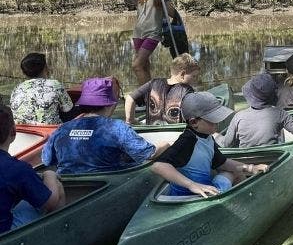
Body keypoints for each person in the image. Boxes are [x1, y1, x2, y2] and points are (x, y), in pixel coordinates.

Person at [41, 77, 169, 174]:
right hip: (109, 183)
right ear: (110, 104)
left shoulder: (62, 129)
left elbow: (46, 160)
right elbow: (147, 154)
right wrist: (167, 144)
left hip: (69, 185)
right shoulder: (117, 128)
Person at [152, 91, 268, 197]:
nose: (217, 123)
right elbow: (158, 166)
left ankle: (246, 199)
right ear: (194, 122)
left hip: (207, 190)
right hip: (189, 196)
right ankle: (248, 200)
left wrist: (251, 168)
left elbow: (222, 163)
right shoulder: (187, 141)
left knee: (234, 171)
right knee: (234, 173)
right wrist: (192, 185)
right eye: (212, 120)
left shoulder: (207, 137)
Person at [0, 105, 65, 233]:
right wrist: (49, 175)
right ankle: (59, 233)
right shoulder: (17, 168)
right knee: (56, 187)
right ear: (13, 132)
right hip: (4, 233)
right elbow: (50, 202)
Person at [216, 73, 293, 148]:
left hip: (245, 163)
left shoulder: (238, 117)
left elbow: (227, 144)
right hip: (271, 161)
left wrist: (216, 136)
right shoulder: (279, 114)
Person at [114, 0, 178, 84]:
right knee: (144, 66)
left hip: (153, 34)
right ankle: (150, 95)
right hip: (138, 34)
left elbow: (172, 13)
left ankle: (146, 94)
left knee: (136, 65)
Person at [123, 53, 200, 125]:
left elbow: (130, 98)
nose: (196, 79)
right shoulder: (187, 90)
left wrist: (131, 120)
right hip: (177, 134)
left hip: (152, 132)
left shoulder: (153, 83)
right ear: (182, 74)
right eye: (194, 76)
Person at [10, 52, 74, 125]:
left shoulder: (17, 88)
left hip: (22, 131)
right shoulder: (55, 85)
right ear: (45, 68)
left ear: (24, 72)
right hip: (49, 131)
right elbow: (68, 111)